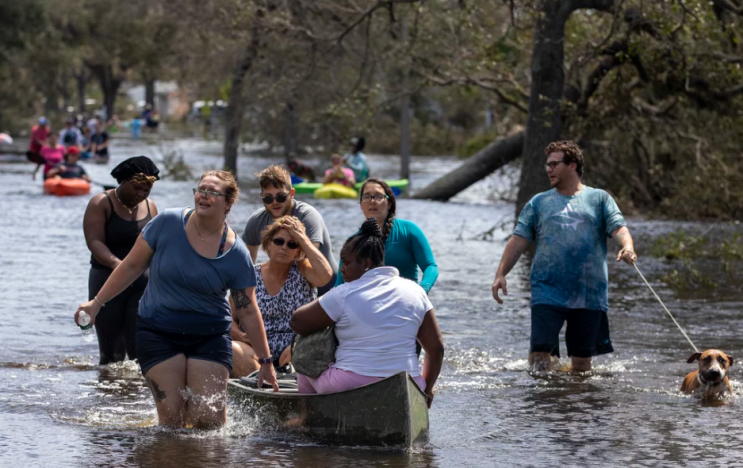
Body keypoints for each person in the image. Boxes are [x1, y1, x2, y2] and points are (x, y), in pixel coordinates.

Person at [75, 170, 278, 429]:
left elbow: (247, 309)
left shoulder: (236, 253)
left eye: (213, 192)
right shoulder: (166, 223)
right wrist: (96, 303)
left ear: (228, 202)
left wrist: (266, 362)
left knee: (209, 423)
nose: (203, 196)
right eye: (201, 189)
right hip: (158, 332)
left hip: (209, 336)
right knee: (172, 422)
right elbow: (131, 266)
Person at [491, 140, 637, 373]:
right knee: (539, 358)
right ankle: (544, 406)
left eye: (554, 164)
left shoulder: (599, 199)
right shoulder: (539, 203)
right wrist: (501, 274)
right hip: (547, 290)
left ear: (573, 165)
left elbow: (619, 229)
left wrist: (627, 247)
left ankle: (573, 406)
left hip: (589, 293)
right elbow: (518, 239)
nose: (548, 169)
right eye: (547, 165)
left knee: (581, 365)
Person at [291, 218, 445, 406]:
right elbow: (436, 349)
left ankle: (305, 414)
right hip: (408, 384)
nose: (342, 269)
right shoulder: (416, 291)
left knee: (303, 356)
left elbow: (297, 321)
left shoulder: (344, 293)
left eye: (346, 263)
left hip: (349, 384)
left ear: (366, 263)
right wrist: (426, 389)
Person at [231, 216, 332, 377]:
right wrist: (242, 336)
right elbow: (230, 319)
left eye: (292, 244)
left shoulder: (303, 270)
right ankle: (262, 384)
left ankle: (285, 382)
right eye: (279, 241)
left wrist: (302, 238)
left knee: (304, 349)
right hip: (256, 351)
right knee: (232, 349)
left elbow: (326, 275)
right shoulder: (249, 276)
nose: (284, 247)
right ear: (269, 243)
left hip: (294, 349)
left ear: (298, 250)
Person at [82, 156, 160, 364]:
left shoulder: (151, 207)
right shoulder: (101, 203)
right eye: (136, 188)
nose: (141, 194)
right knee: (111, 358)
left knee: (139, 354)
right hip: (106, 282)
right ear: (123, 181)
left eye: (147, 189)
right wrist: (120, 267)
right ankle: (108, 395)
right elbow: (95, 243)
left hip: (142, 287)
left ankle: (136, 396)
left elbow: (155, 247)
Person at [243, 165, 338, 295]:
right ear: (262, 197)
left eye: (281, 197)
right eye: (268, 198)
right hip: (286, 289)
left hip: (326, 287)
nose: (275, 202)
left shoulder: (308, 216)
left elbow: (307, 261)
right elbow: (247, 265)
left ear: (292, 194)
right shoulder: (256, 221)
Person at [335, 178, 438, 294]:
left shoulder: (409, 230)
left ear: (389, 204)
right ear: (361, 205)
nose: (372, 201)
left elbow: (431, 266)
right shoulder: (353, 243)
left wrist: (422, 291)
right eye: (367, 197)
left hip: (406, 302)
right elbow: (339, 285)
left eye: (378, 196)